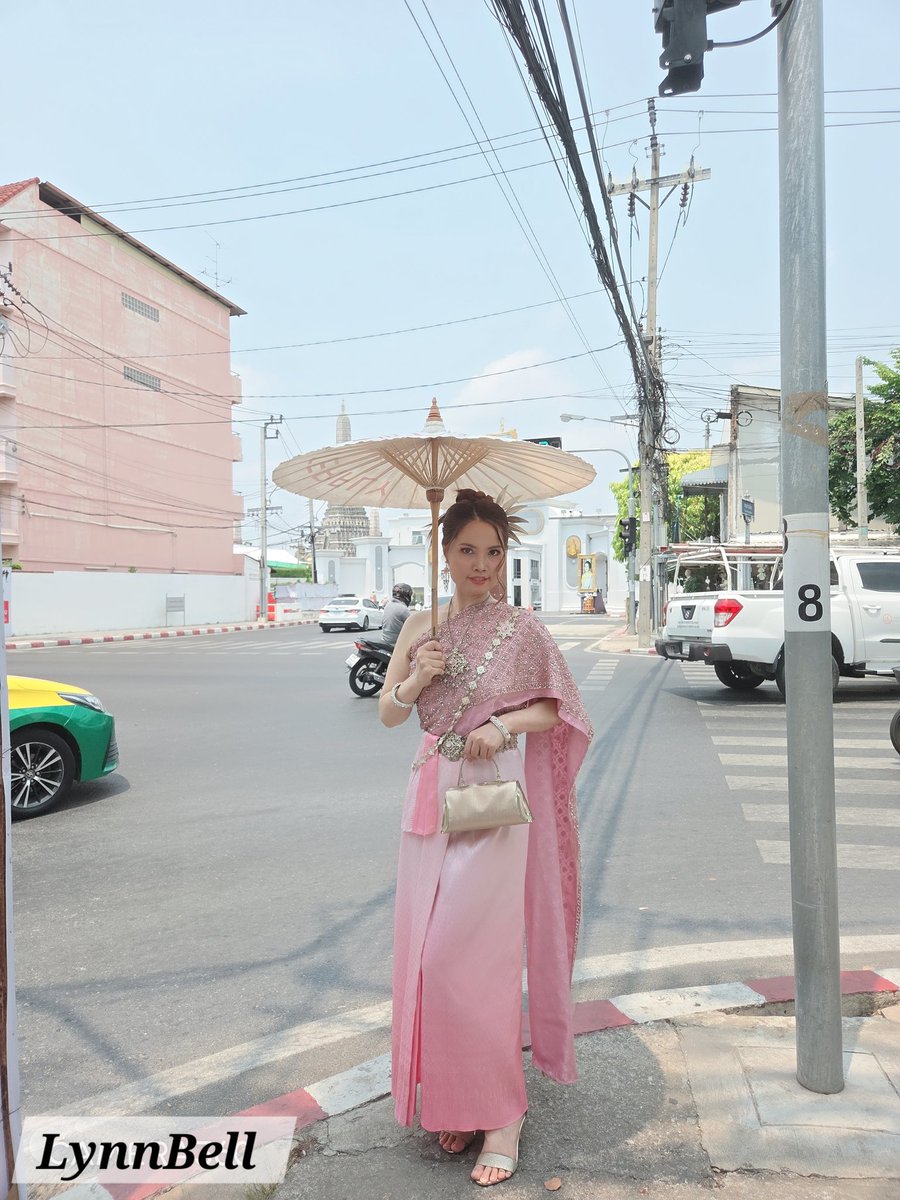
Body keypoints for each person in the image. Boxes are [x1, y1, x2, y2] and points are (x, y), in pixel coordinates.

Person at [379, 489, 592, 1188]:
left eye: (494, 551)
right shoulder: (419, 623)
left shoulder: (522, 628)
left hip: (492, 796)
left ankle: (503, 1114)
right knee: (427, 959)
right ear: (443, 553)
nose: (482, 564)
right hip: (430, 794)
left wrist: (502, 727)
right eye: (467, 550)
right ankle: (460, 1101)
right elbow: (388, 713)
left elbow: (556, 707)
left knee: (469, 960)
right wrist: (417, 676)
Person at [381, 582, 413, 648]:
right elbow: (412, 626)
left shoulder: (388, 605)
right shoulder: (403, 609)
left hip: (385, 639)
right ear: (406, 596)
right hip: (395, 643)